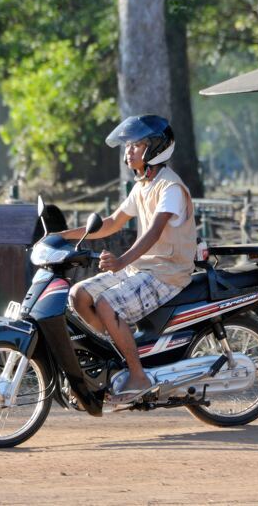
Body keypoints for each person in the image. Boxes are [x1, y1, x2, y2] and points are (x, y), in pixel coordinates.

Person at [59, 115, 197, 404]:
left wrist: (121, 261)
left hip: (167, 271)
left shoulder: (169, 188)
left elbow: (153, 233)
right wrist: (61, 236)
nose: (129, 152)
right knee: (78, 295)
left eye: (136, 145)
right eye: (128, 146)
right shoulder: (143, 185)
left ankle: (138, 375)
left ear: (155, 149)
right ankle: (116, 355)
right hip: (143, 268)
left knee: (108, 305)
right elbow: (110, 223)